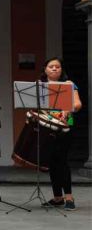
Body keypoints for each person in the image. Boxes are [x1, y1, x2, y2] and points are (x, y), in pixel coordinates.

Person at [39, 57, 82, 211]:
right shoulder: (40, 86)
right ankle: (58, 197)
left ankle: (69, 197)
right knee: (52, 162)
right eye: (51, 66)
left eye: (58, 66)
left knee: (62, 161)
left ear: (61, 70)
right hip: (47, 127)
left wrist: (68, 108)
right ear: (45, 69)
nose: (55, 69)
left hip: (65, 126)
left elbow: (77, 104)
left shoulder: (69, 84)